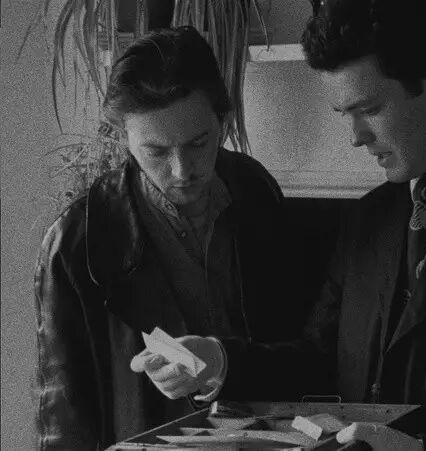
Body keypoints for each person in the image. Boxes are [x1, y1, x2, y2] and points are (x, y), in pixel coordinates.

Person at [133, 1, 426, 450]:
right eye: (345, 114)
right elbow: (320, 359)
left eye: (370, 109)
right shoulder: (368, 218)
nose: (356, 137)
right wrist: (217, 361)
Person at [32, 26, 298, 450]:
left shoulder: (255, 191)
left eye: (198, 143)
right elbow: (65, 416)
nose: (181, 170)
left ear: (224, 121)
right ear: (124, 137)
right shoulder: (76, 239)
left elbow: (297, 346)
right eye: (156, 151)